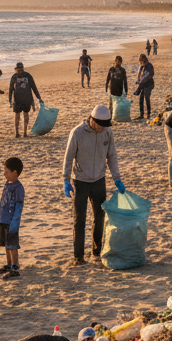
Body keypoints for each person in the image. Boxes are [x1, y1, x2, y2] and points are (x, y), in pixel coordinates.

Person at [62, 104, 124, 265]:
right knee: (79, 219)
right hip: (80, 181)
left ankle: (96, 251)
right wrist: (66, 179)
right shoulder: (77, 133)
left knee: (99, 216)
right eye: (101, 126)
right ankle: (78, 257)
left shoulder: (107, 132)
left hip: (99, 180)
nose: (103, 129)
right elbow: (68, 158)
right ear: (93, 121)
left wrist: (116, 177)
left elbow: (112, 155)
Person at [0, 156, 25, 280]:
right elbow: (3, 202)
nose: (4, 174)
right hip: (3, 219)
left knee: (12, 246)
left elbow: (18, 207)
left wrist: (15, 223)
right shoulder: (7, 184)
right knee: (6, 244)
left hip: (12, 221)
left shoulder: (18, 188)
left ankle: (15, 267)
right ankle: (8, 264)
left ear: (15, 173)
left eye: (7, 172)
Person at [9, 61, 42, 138]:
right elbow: (34, 87)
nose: (19, 71)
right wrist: (38, 97)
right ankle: (22, 133)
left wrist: (38, 97)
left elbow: (11, 89)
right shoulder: (27, 75)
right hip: (23, 99)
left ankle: (20, 132)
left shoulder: (15, 76)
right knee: (24, 115)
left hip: (21, 99)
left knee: (19, 115)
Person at [135, 52, 155, 121]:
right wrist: (138, 81)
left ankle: (148, 114)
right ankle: (142, 114)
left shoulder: (149, 66)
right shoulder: (143, 66)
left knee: (147, 99)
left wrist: (138, 89)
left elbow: (146, 77)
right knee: (141, 99)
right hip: (144, 85)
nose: (140, 62)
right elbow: (140, 76)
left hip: (149, 85)